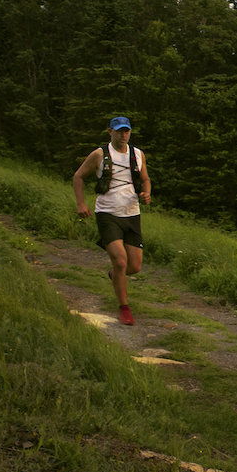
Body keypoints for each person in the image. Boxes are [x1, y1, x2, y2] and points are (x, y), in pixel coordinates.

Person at [73, 115, 152, 326]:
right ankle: (124, 307)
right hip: (107, 213)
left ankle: (115, 275)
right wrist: (81, 204)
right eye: (118, 131)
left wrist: (147, 194)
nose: (123, 134)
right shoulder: (100, 155)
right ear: (110, 132)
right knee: (120, 260)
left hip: (132, 213)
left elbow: (145, 179)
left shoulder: (137, 154)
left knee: (134, 267)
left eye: (126, 130)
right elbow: (78, 176)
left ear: (130, 132)